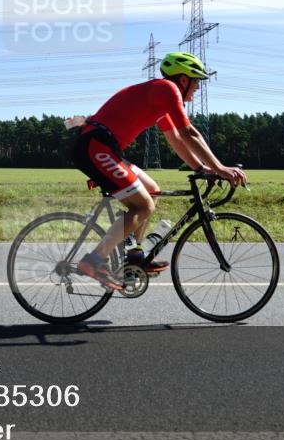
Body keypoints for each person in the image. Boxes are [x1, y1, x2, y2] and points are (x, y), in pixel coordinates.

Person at [70, 52, 247, 291]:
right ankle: (94, 261)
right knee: (143, 206)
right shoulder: (167, 89)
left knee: (152, 191)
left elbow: (174, 138)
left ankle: (134, 257)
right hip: (95, 145)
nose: (196, 89)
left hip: (104, 147)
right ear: (183, 80)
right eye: (196, 82)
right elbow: (189, 134)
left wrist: (200, 168)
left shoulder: (160, 99)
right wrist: (220, 168)